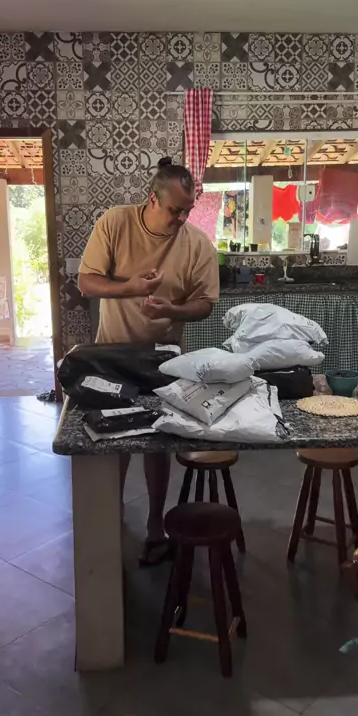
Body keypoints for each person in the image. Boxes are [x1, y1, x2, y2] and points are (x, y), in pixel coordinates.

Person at [78, 157, 219, 565]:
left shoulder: (197, 244)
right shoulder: (115, 223)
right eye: (175, 210)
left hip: (164, 360)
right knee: (114, 439)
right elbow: (87, 281)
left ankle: (156, 525)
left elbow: (205, 304)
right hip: (112, 354)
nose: (182, 218)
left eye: (188, 210)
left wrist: (171, 310)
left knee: (158, 443)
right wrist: (131, 288)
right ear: (152, 199)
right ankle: (114, 511)